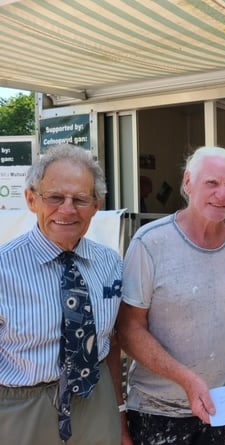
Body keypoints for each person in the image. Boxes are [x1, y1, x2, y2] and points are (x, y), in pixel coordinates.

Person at [117, 146, 225, 445]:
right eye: (212, 183)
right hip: (159, 411)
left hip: (224, 406)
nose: (222, 194)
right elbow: (128, 330)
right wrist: (187, 379)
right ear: (188, 182)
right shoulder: (149, 243)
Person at [0, 143, 128, 445]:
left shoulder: (111, 263)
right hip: (23, 407)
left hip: (96, 400)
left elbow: (110, 342)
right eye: (55, 197)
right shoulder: (3, 268)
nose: (67, 209)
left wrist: (119, 412)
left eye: (81, 199)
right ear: (32, 200)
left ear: (96, 206)